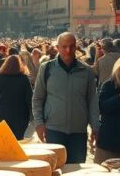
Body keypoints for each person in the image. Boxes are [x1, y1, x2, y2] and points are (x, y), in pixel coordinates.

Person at [32, 32, 99, 164]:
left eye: (72, 46)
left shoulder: (86, 71)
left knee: (76, 173)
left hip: (78, 132)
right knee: (55, 171)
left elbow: (92, 101)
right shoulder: (47, 69)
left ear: (76, 47)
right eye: (64, 46)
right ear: (57, 47)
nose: (68, 50)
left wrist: (95, 126)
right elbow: (37, 98)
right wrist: (39, 123)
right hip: (53, 130)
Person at [0, 55, 33, 139]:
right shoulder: (24, 78)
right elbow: (30, 98)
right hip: (21, 114)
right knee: (18, 139)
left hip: (4, 113)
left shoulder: (0, 77)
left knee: (4, 140)